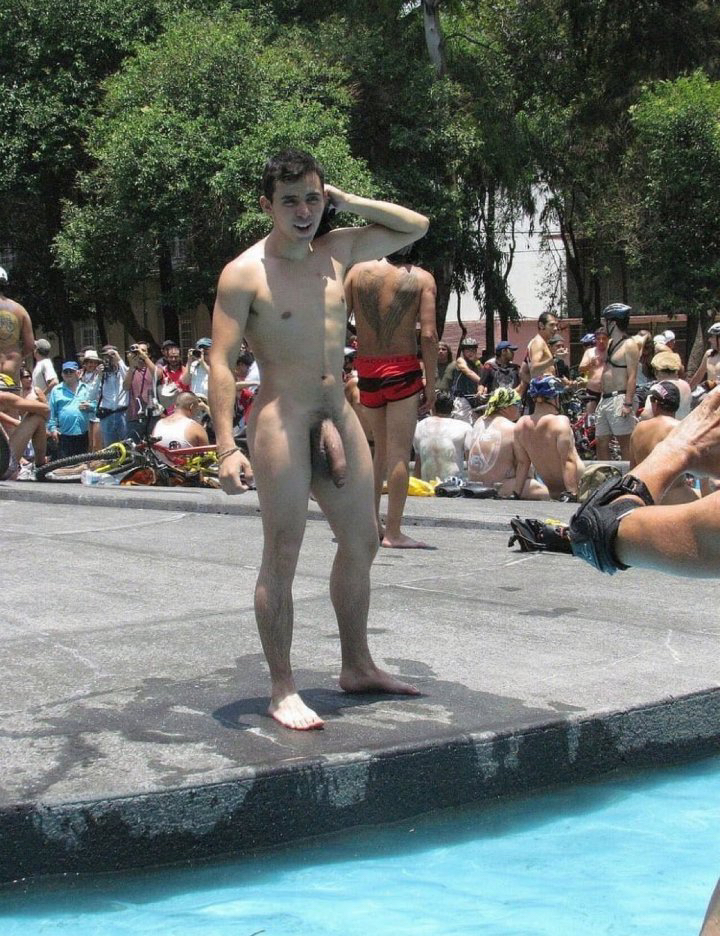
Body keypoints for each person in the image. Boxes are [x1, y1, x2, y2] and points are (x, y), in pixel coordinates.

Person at [209, 149, 427, 730]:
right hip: (282, 417)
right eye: (290, 202)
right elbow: (221, 362)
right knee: (283, 552)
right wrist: (226, 446)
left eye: (312, 198)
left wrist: (347, 202)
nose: (303, 212)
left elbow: (415, 226)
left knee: (363, 540)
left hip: (338, 413)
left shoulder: (337, 252)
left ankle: (356, 665)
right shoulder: (244, 273)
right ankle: (282, 687)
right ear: (267, 206)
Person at [569, 385, 720, 578]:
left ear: (655, 404)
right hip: (680, 501)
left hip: (647, 503)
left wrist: (680, 448)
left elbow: (594, 527)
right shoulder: (677, 426)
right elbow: (706, 484)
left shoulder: (645, 429)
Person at [345, 253, 438, 549]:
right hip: (402, 369)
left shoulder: (356, 273)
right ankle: (394, 532)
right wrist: (432, 383)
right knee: (399, 453)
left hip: (367, 370)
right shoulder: (421, 278)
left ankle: (371, 524)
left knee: (378, 452)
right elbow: (429, 335)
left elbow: (334, 321)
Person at [466, 387, 549, 498]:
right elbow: (524, 465)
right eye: (517, 404)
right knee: (544, 490)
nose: (520, 407)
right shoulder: (513, 429)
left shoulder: (480, 421)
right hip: (498, 486)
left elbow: (468, 450)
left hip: (474, 485)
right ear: (505, 407)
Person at [513, 376, 585, 501]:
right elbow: (568, 460)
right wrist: (572, 493)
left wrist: (516, 493)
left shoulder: (521, 424)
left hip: (554, 492)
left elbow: (523, 464)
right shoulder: (560, 422)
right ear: (554, 398)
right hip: (579, 489)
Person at [629, 381, 698, 505]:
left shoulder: (639, 429)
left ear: (655, 404)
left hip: (643, 497)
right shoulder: (682, 429)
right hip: (674, 498)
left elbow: (632, 469)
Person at [594, 302, 640, 461]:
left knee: (624, 443)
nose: (603, 325)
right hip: (605, 399)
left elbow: (632, 375)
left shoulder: (630, 345)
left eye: (605, 321)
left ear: (613, 323)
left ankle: (630, 473)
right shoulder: (611, 343)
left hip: (619, 398)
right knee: (601, 441)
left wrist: (628, 403)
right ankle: (605, 473)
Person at [412, 390, 469, 481]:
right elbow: (472, 464)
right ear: (453, 408)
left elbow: (418, 464)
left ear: (433, 408)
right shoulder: (464, 428)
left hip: (427, 486)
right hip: (452, 487)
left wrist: (415, 486)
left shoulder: (419, 427)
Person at [47, 361, 96, 458]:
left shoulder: (86, 388)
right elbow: (51, 412)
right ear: (62, 374)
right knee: (66, 463)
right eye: (66, 371)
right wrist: (52, 429)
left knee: (83, 462)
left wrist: (90, 406)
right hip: (64, 435)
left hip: (83, 435)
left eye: (71, 371)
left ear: (78, 373)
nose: (68, 374)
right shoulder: (56, 390)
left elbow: (96, 405)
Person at [0, 267, 34, 386]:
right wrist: (18, 357)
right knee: (12, 396)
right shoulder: (20, 310)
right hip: (11, 367)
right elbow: (30, 345)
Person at [438, 336, 483, 422]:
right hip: (462, 398)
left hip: (474, 397)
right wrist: (483, 381)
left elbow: (483, 373)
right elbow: (469, 373)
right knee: (463, 422)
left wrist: (476, 361)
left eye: (473, 350)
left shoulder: (476, 362)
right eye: (468, 350)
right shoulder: (460, 360)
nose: (471, 352)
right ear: (463, 351)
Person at [644, 349, 691, 420]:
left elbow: (647, 415)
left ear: (656, 371)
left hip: (665, 426)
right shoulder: (686, 385)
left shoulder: (658, 388)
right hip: (684, 425)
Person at [123, 342, 157, 441]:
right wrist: (132, 365)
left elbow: (157, 375)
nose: (139, 353)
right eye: (137, 352)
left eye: (143, 351)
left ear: (148, 354)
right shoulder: (130, 370)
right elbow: (125, 387)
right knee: (134, 447)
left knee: (153, 446)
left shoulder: (152, 368)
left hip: (152, 416)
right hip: (134, 416)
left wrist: (144, 357)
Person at [96, 346, 129, 445]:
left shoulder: (123, 370)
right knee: (110, 448)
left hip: (123, 413)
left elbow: (128, 379)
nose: (109, 359)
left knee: (127, 446)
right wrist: (99, 376)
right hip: (107, 415)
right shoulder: (101, 373)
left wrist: (119, 360)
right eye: (106, 356)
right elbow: (93, 394)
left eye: (111, 356)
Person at [577, 327, 608, 415]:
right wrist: (591, 363)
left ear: (608, 340)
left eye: (604, 339)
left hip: (608, 391)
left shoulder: (612, 352)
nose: (601, 341)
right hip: (592, 391)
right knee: (591, 417)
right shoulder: (590, 352)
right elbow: (581, 369)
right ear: (595, 340)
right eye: (598, 339)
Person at [689, 322, 720, 389]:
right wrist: (688, 389)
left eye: (712, 337)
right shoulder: (709, 354)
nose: (709, 340)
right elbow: (698, 375)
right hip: (710, 393)